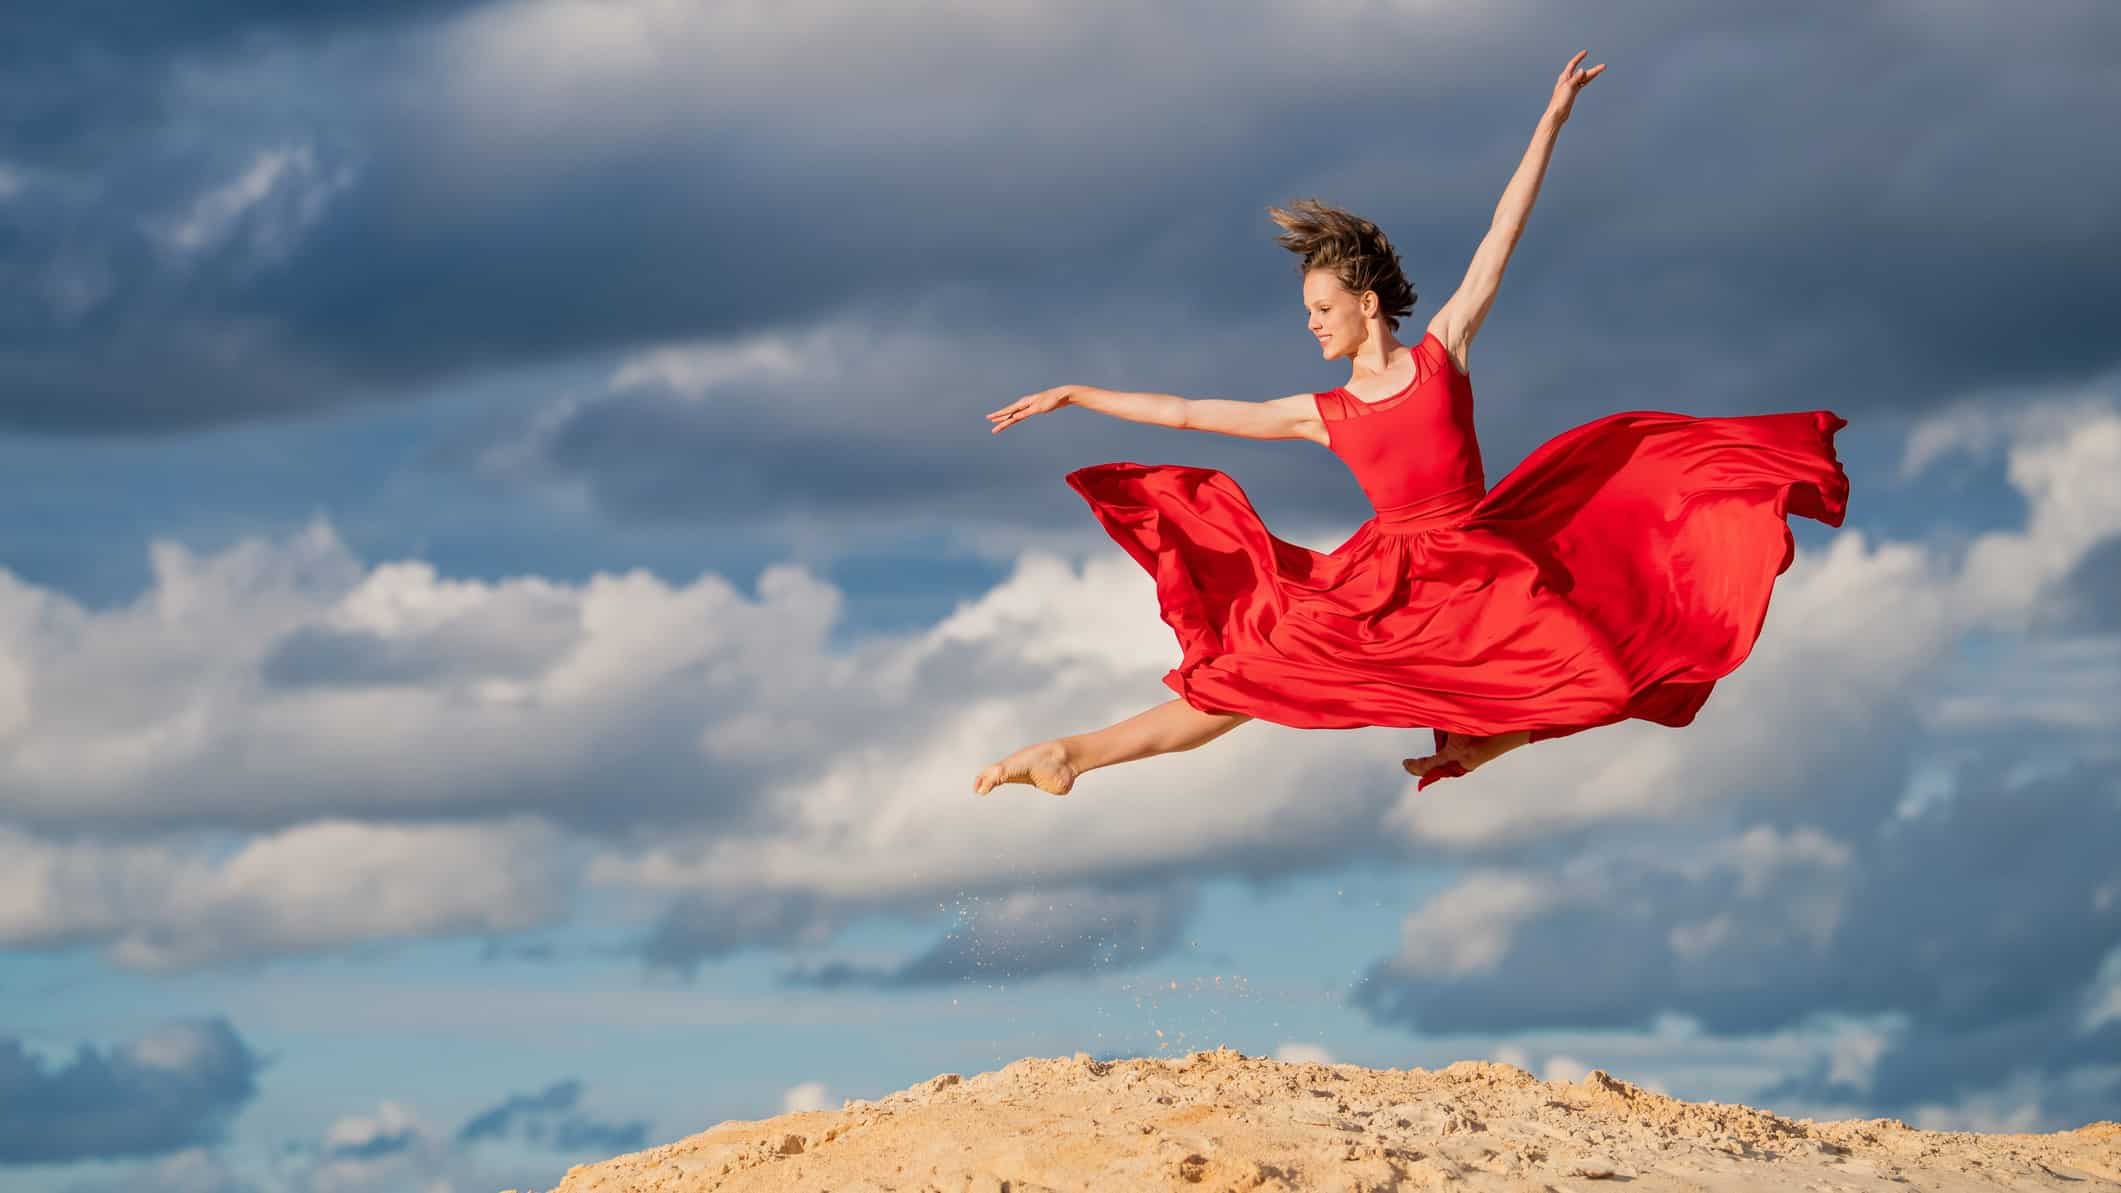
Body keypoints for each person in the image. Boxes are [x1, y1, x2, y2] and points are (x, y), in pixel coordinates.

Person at [973, 51, 1847, 797]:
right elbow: (1190, 411)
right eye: (1305, 312)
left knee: (1608, 667)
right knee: (1252, 679)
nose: (1310, 324)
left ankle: (1483, 739)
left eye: (1320, 308)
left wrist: (1551, 121)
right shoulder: (1322, 413)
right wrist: (1078, 393)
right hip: (1382, 582)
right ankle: (1070, 753)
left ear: (1363, 304)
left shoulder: (1442, 353)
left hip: (1483, 560)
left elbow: (1503, 232)